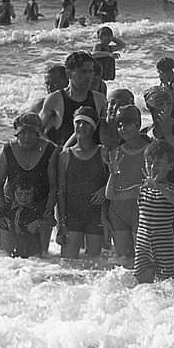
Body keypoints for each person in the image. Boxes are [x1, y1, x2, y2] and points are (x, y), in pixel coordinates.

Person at [0, 112, 58, 257]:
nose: (27, 137)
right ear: (16, 132)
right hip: (12, 208)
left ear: (38, 133)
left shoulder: (50, 150)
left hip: (40, 208)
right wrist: (5, 210)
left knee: (39, 260)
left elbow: (54, 186)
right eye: (23, 133)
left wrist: (45, 213)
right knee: (7, 258)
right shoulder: (8, 150)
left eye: (31, 133)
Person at [144, 85, 174, 254]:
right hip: (152, 194)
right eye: (159, 103)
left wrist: (169, 135)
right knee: (151, 246)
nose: (165, 107)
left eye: (169, 103)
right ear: (149, 107)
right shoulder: (146, 133)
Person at [57, 107, 109, 259]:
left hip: (96, 216)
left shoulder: (103, 152)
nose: (81, 126)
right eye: (78, 122)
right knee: (67, 265)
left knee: (94, 267)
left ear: (93, 127)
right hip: (72, 216)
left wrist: (105, 190)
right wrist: (61, 224)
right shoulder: (65, 156)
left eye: (85, 123)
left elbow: (117, 178)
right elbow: (61, 191)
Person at [105, 106, 152, 265]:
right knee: (124, 262)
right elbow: (110, 189)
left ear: (138, 124)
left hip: (142, 210)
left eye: (126, 124)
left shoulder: (151, 150)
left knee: (143, 261)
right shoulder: (115, 153)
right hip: (118, 211)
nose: (122, 128)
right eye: (119, 125)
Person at [133, 140, 174, 284]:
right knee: (142, 286)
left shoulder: (173, 189)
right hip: (143, 244)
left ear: (170, 166)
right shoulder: (141, 188)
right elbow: (112, 195)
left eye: (159, 163)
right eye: (149, 163)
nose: (153, 167)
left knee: (168, 286)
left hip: (164, 245)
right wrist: (114, 174)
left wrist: (157, 186)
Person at [39, 50, 107, 147]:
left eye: (90, 71)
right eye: (83, 71)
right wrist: (55, 149)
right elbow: (37, 130)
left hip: (91, 157)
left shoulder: (100, 99)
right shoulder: (55, 99)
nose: (88, 76)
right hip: (64, 156)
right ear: (69, 74)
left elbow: (105, 133)